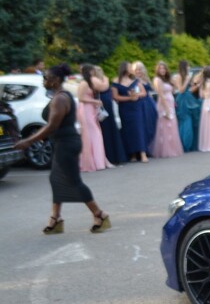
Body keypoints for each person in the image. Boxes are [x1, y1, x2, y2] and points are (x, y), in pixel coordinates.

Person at [13, 64, 110, 234]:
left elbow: (51, 126)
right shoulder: (60, 96)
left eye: (46, 78)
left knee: (73, 181)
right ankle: (55, 218)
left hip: (67, 144)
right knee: (56, 179)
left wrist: (28, 141)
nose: (43, 81)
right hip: (63, 143)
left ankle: (99, 214)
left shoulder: (60, 99)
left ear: (56, 80)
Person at [112, 61, 149, 163]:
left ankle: (142, 153)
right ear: (124, 68)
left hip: (136, 107)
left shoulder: (134, 80)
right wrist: (129, 98)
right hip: (124, 108)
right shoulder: (116, 81)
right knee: (128, 130)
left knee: (138, 128)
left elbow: (144, 93)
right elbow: (115, 97)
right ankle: (132, 154)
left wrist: (136, 95)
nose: (131, 69)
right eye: (129, 67)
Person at [76, 64, 110, 172]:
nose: (94, 72)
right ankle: (94, 162)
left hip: (90, 109)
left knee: (94, 134)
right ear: (89, 71)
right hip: (85, 110)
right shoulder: (84, 83)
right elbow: (80, 98)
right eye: (92, 70)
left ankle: (98, 161)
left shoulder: (89, 82)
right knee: (94, 134)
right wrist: (94, 101)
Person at [94, 66, 126, 165]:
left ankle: (111, 156)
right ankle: (115, 156)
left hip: (104, 106)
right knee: (110, 130)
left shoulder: (101, 81)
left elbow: (103, 88)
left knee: (106, 131)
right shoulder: (104, 80)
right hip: (107, 106)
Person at [150, 62, 184, 158]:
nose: (162, 70)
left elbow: (174, 90)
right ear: (157, 70)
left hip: (171, 103)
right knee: (165, 127)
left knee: (172, 126)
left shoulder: (167, 79)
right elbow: (160, 95)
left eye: (164, 68)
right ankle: (165, 150)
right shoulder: (157, 80)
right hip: (164, 105)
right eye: (160, 68)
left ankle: (173, 149)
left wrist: (173, 81)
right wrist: (167, 109)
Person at [172, 60, 201, 152]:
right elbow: (181, 90)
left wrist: (197, 85)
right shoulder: (178, 76)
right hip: (182, 101)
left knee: (193, 123)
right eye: (188, 66)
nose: (189, 68)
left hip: (190, 99)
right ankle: (184, 144)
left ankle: (192, 145)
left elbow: (190, 90)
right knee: (185, 123)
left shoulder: (188, 76)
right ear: (184, 67)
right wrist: (187, 80)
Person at [133, 61, 158, 151]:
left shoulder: (146, 79)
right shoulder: (134, 81)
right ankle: (145, 147)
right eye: (136, 70)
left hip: (150, 104)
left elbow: (151, 90)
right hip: (141, 104)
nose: (138, 71)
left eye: (140, 69)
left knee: (152, 123)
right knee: (144, 125)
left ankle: (152, 146)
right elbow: (136, 93)